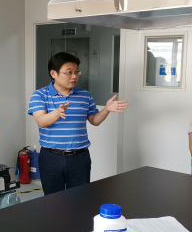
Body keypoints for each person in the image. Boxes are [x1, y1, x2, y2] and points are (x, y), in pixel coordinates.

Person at [28, 52, 129, 195]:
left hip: (79, 158)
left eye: (76, 72)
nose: (74, 76)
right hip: (51, 157)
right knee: (52, 201)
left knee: (80, 199)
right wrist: (57, 113)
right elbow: (41, 121)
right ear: (53, 73)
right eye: (69, 72)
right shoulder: (40, 95)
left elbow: (94, 120)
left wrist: (106, 109)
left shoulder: (85, 95)